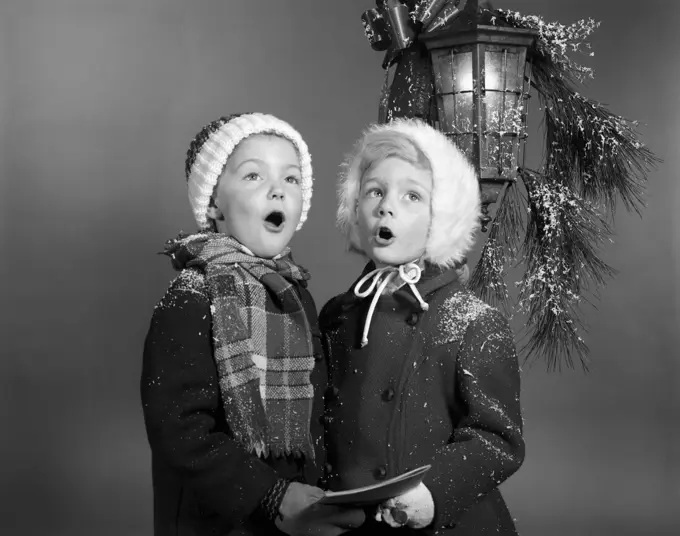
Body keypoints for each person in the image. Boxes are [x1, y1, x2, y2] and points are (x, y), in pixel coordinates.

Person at [141, 113, 365, 536]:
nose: (277, 188)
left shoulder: (292, 294)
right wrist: (272, 495)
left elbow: (314, 412)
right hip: (221, 522)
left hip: (295, 518)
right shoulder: (192, 297)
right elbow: (181, 431)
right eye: (253, 176)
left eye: (292, 179)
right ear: (213, 205)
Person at [318, 118, 525, 535]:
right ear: (355, 208)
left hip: (444, 523)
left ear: (441, 218)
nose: (386, 206)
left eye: (412, 195)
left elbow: (497, 438)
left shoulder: (474, 322)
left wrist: (431, 494)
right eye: (375, 190)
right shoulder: (338, 316)